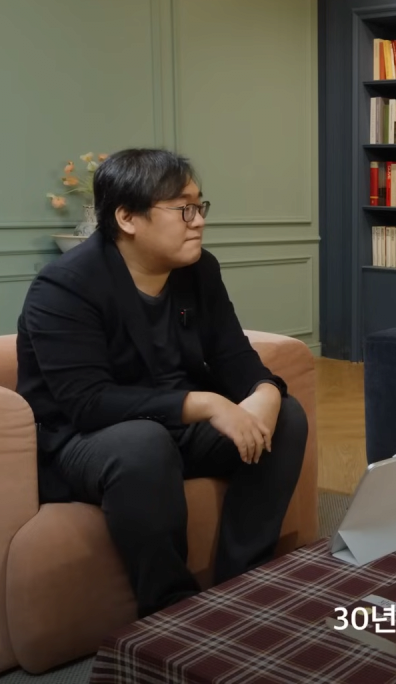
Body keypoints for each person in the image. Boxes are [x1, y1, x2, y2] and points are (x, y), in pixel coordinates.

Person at [16, 148, 308, 617]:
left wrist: (266, 392)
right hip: (86, 440)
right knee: (142, 442)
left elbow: (233, 355)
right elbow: (88, 402)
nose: (199, 221)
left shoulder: (200, 270)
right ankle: (172, 611)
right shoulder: (66, 285)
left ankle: (242, 585)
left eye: (200, 206)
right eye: (183, 209)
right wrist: (207, 404)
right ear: (127, 217)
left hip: (173, 428)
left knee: (286, 418)